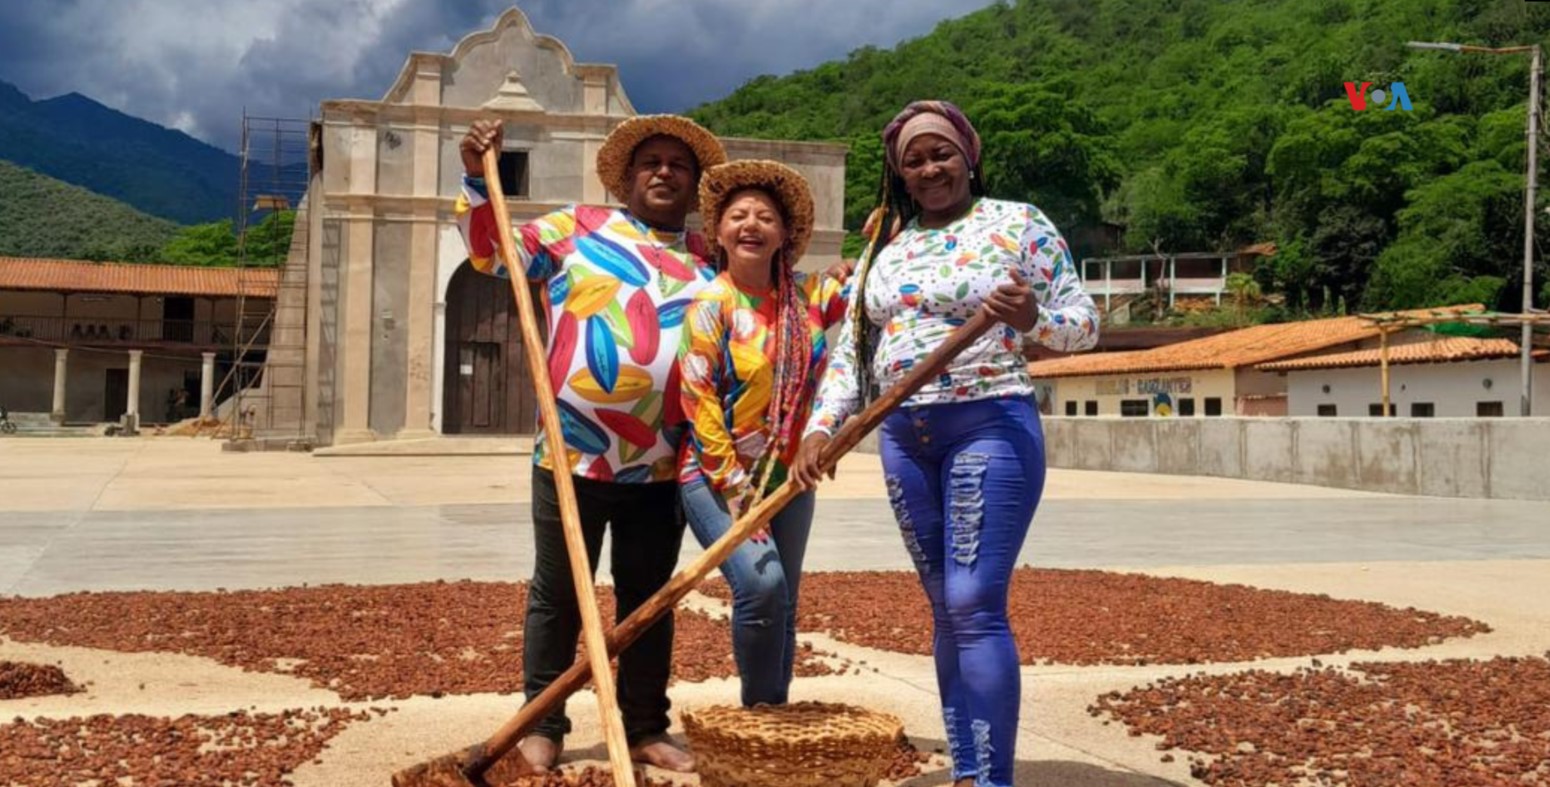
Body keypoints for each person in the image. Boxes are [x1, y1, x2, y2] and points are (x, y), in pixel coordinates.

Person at [792, 101, 1099, 787]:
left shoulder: (1017, 223)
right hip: (904, 435)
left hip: (988, 422)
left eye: (941, 153)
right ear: (899, 172)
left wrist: (1033, 317)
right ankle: (968, 770)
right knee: (943, 604)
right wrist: (822, 425)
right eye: (914, 159)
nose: (930, 168)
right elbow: (856, 352)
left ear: (970, 155)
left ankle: (992, 779)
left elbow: (1084, 324)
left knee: (972, 601)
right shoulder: (886, 248)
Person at [456, 114, 729, 774]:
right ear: (629, 176)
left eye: (678, 165)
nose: (664, 170)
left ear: (694, 185)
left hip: (662, 463)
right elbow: (489, 253)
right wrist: (473, 173)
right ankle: (541, 720)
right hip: (570, 453)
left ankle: (643, 725)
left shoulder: (708, 257)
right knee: (557, 595)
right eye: (651, 162)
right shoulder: (573, 229)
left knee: (647, 600)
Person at [676, 161, 846, 707]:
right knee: (762, 585)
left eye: (765, 217)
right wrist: (729, 483)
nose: (751, 225)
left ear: (784, 235)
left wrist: (887, 232)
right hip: (717, 476)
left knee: (787, 599)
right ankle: (759, 710)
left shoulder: (810, 297)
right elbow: (698, 396)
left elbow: (873, 283)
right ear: (719, 232)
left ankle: (775, 716)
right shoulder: (712, 305)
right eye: (738, 216)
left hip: (791, 474)